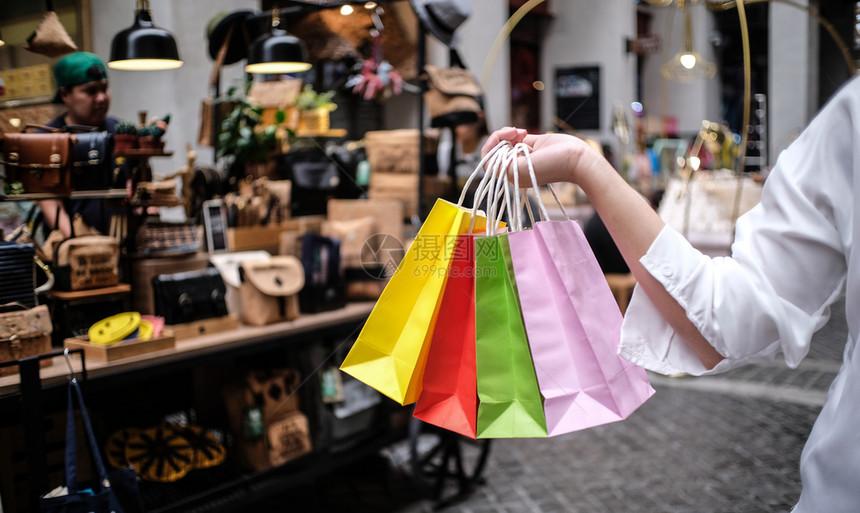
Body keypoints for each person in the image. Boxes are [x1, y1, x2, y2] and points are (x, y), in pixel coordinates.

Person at [482, 74, 860, 512]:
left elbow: (731, 318)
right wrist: (584, 165)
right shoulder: (850, 118)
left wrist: (585, 166)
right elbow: (729, 318)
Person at [40, 52, 118, 237]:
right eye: (90, 91)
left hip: (123, 247)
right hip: (71, 251)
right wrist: (76, 245)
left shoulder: (121, 132)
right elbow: (49, 201)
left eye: (104, 89)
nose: (101, 98)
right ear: (66, 94)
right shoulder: (46, 140)